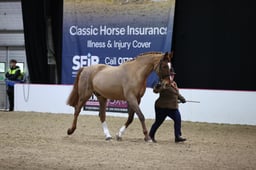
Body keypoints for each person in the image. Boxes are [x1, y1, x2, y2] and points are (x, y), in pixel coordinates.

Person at [149, 67, 187, 143]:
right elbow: (156, 91)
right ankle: (150, 136)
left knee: (178, 120)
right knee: (158, 122)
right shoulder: (163, 83)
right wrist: (158, 86)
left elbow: (176, 94)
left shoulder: (174, 83)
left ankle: (177, 136)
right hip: (162, 107)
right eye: (171, 75)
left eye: (173, 75)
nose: (172, 76)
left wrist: (182, 99)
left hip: (173, 107)